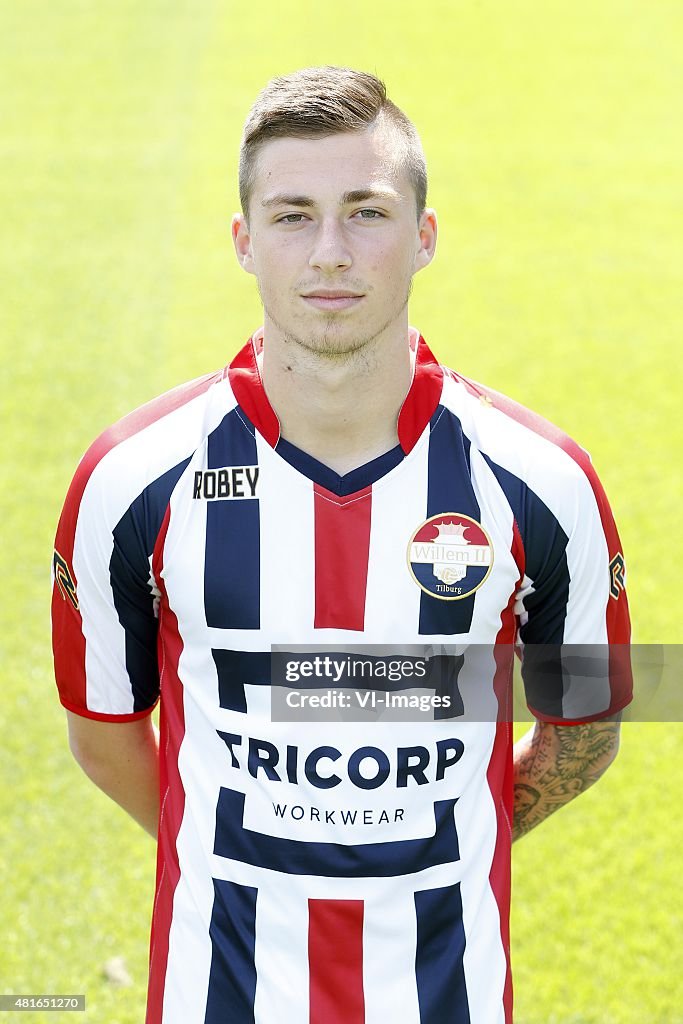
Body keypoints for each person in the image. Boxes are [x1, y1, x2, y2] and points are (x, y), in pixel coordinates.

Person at [51, 66, 631, 1024]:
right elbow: (103, 727)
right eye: (291, 216)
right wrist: (244, 855)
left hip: (449, 996)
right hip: (216, 993)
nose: (329, 252)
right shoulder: (129, 478)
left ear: (423, 237)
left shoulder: (543, 480)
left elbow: (589, 723)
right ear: (243, 242)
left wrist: (455, 835)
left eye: (366, 212)